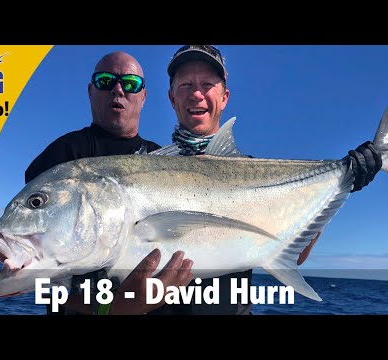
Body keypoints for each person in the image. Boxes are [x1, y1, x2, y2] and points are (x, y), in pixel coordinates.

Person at [155, 44, 382, 314]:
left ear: (224, 97)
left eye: (207, 84)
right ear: (171, 97)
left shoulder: (252, 170)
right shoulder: (149, 169)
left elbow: (295, 255)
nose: (196, 94)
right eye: (185, 85)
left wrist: (337, 187)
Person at [25, 51, 194, 315]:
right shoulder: (61, 158)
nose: (118, 89)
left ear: (143, 96)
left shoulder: (168, 164)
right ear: (91, 91)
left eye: (130, 84)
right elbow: (38, 276)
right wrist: (111, 309)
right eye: (106, 81)